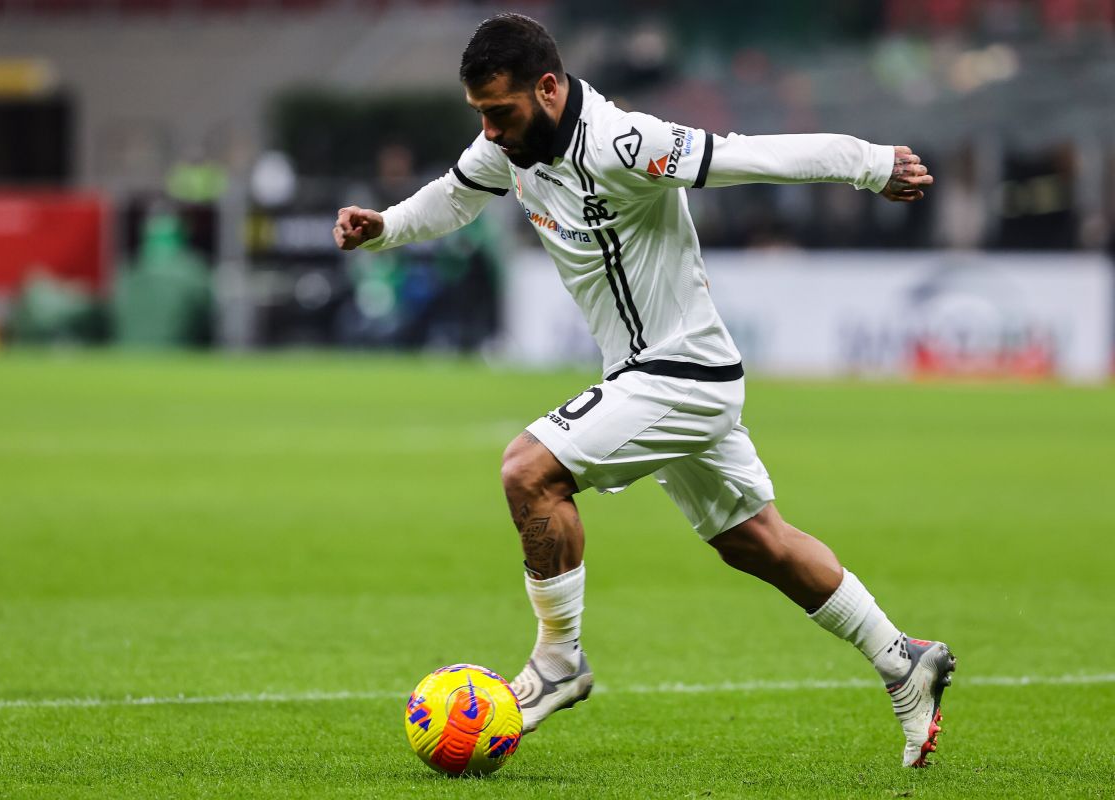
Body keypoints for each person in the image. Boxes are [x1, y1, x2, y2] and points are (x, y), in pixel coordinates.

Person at [334, 14, 953, 768]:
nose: (490, 131)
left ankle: (558, 661)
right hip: (652, 374)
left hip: (680, 371)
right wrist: (385, 227)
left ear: (549, 88)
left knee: (528, 470)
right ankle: (902, 659)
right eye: (481, 115)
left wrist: (871, 164)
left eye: (499, 111)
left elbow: (753, 155)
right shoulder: (513, 144)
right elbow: (456, 196)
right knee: (756, 541)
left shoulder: (627, 143)